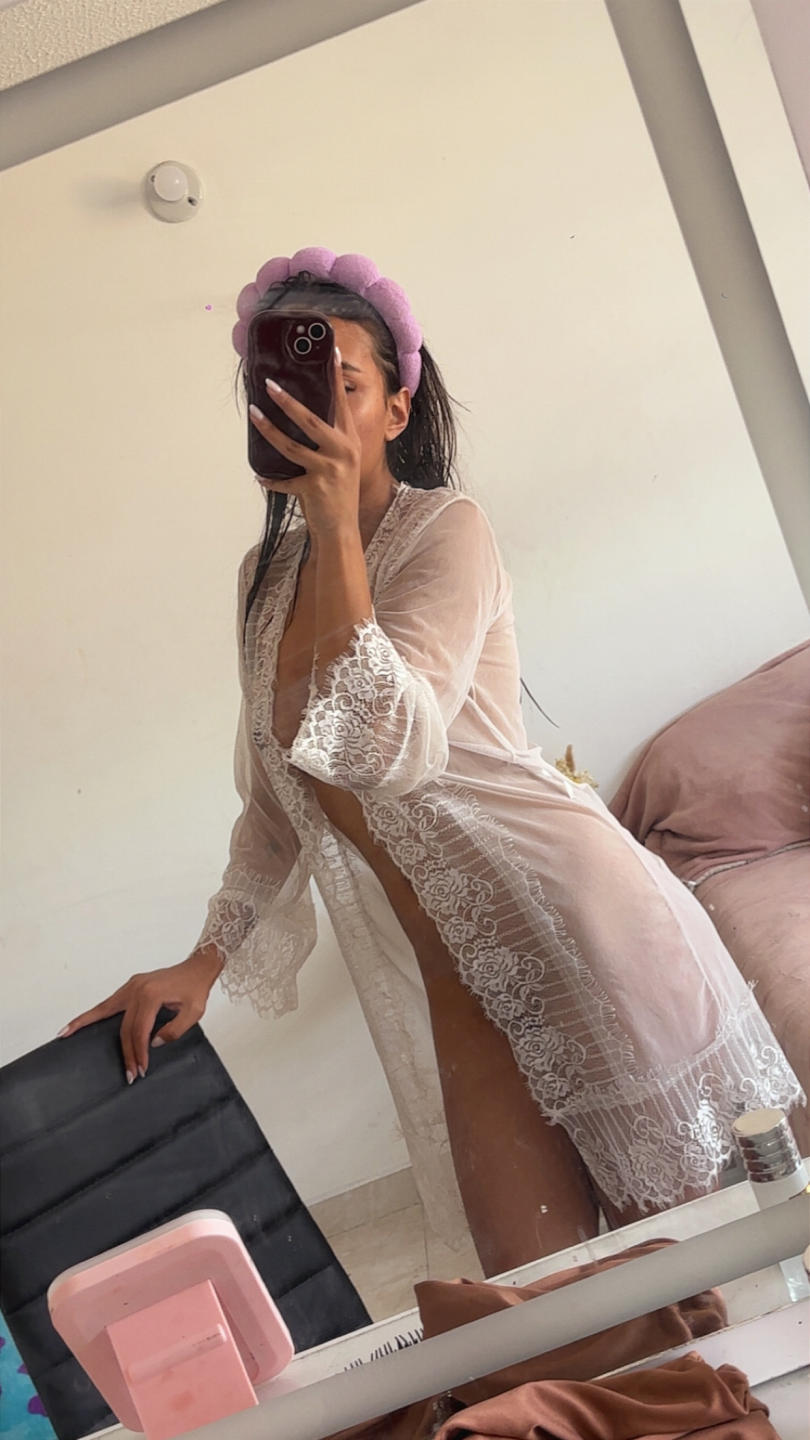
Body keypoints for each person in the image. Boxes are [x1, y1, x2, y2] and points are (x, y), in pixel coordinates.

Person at [61, 248, 803, 1274]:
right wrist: (206, 957)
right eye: (276, 383)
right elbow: (280, 801)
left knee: (691, 1285)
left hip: (581, 932)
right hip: (455, 984)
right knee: (537, 1299)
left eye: (340, 382)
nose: (303, 404)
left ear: (396, 410)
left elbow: (386, 748)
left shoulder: (448, 530)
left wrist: (337, 529)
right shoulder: (261, 581)